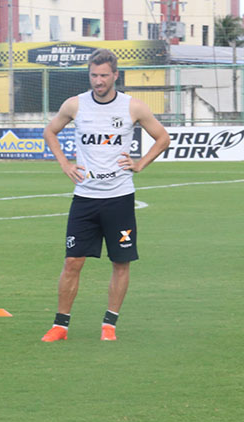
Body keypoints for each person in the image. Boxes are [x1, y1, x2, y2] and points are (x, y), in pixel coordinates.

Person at [40, 49, 170, 342]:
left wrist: (139, 164)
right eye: (93, 75)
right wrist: (64, 163)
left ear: (115, 75)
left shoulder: (132, 107)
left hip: (119, 198)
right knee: (73, 261)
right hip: (85, 198)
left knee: (120, 262)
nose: (98, 81)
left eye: (103, 76)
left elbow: (162, 138)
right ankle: (61, 325)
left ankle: (109, 325)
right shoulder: (75, 105)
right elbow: (50, 132)